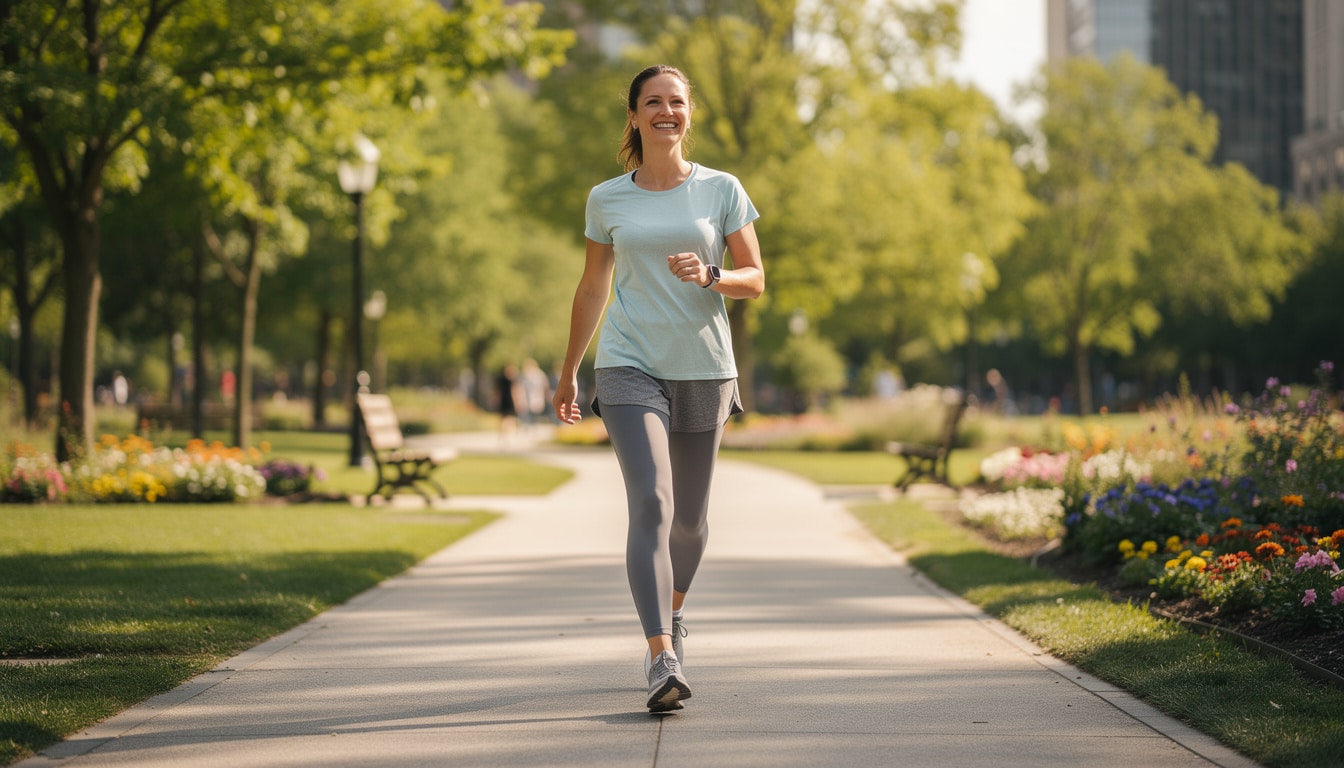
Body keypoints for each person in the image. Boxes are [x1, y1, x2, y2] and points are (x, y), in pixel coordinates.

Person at [552, 64, 765, 714]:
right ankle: (659, 657)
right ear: (635, 115)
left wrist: (711, 275)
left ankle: (674, 615)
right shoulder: (607, 198)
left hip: (704, 366)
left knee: (692, 522)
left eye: (676, 102)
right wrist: (569, 372)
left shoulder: (723, 189)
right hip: (628, 364)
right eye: (654, 102)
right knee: (651, 503)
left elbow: (754, 278)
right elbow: (593, 287)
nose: (666, 111)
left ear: (688, 114)